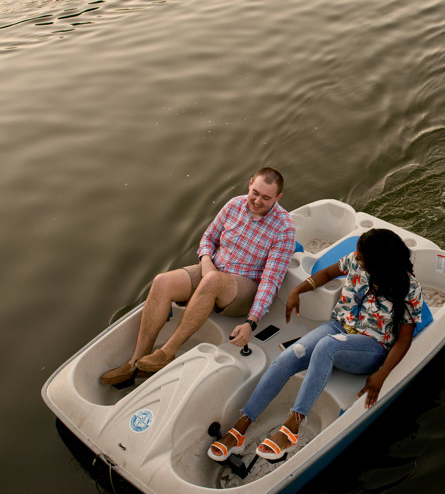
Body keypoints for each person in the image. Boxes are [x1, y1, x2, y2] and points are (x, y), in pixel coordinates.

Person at [207, 228, 423, 462]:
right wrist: (298, 290)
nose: (357, 260)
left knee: (326, 346)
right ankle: (241, 428)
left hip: (371, 346)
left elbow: (404, 339)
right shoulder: (355, 261)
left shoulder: (409, 288)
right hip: (338, 327)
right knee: (289, 356)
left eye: (362, 259)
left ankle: (292, 428)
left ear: (379, 263)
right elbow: (328, 273)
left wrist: (381, 375)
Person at [100, 167, 296, 385]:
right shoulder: (234, 205)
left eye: (266, 198)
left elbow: (270, 281)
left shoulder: (284, 229)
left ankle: (167, 353)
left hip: (243, 289)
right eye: (255, 193)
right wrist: (206, 263)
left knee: (213, 280)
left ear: (278, 197)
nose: (257, 201)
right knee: (162, 282)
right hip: (213, 271)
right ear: (250, 184)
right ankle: (135, 364)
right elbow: (208, 238)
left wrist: (252, 321)